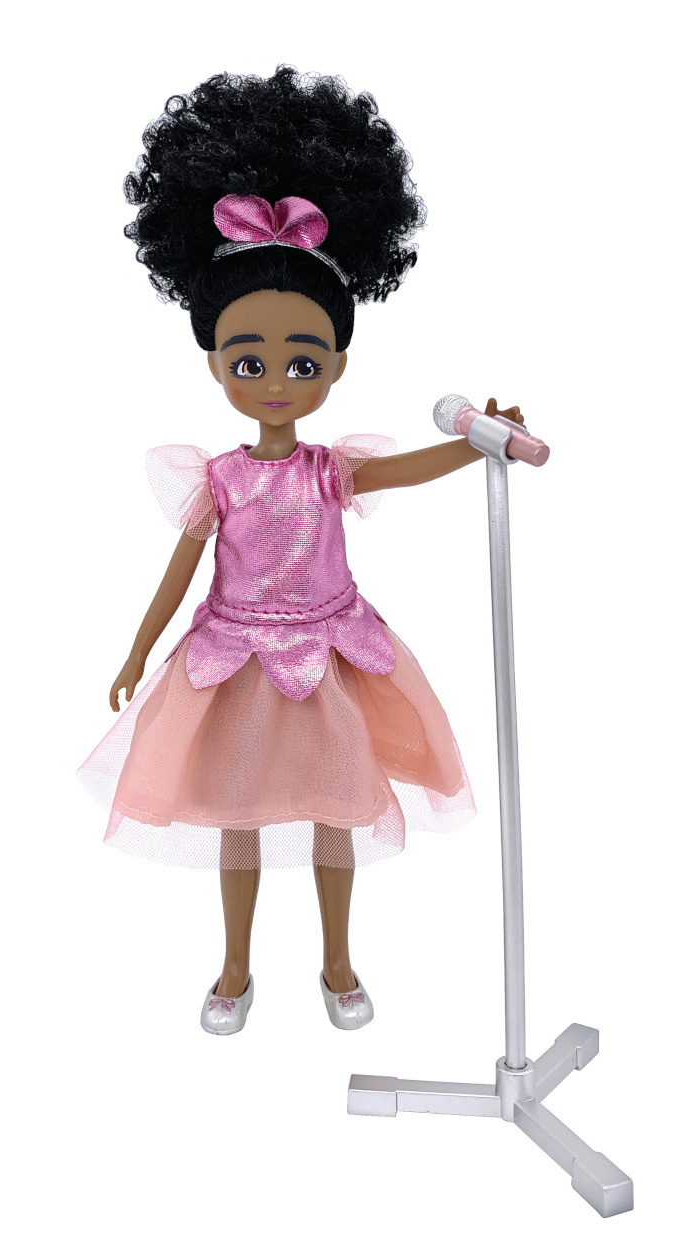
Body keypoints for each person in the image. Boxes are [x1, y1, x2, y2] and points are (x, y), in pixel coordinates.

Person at [78, 67, 525, 1035]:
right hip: (234, 660)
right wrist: (136, 649)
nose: (276, 379)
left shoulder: (330, 468)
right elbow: (178, 573)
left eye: (302, 361)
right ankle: (235, 964)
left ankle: (337, 959)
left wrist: (474, 442)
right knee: (235, 815)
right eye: (250, 361)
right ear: (214, 363)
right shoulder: (219, 477)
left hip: (328, 657)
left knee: (336, 808)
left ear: (335, 366)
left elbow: (405, 469)